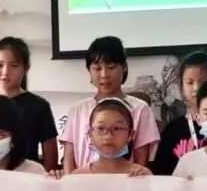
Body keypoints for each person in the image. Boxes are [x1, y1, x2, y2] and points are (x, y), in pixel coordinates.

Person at [59, 36, 159, 173]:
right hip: (83, 182)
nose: (104, 74)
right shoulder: (77, 110)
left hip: (125, 181)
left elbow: (142, 160)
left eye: (111, 67)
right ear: (89, 70)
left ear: (124, 67)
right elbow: (68, 159)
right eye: (97, 68)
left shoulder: (140, 108)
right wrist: (70, 182)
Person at [0, 37, 58, 170]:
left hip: (29, 178)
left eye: (14, 65)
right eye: (0, 65)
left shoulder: (39, 106)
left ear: (26, 68)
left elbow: (51, 162)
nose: (5, 72)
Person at [68, 99, 151, 177]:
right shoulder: (78, 176)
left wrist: (147, 177)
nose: (108, 136)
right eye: (100, 128)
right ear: (90, 134)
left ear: (130, 135)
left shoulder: (141, 174)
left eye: (116, 128)